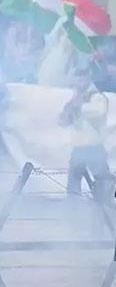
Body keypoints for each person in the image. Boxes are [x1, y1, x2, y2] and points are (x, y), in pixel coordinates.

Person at [63, 68, 112, 201]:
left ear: (88, 79)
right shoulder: (75, 98)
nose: (79, 82)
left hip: (94, 146)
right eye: (77, 79)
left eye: (82, 79)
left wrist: (79, 106)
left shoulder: (97, 96)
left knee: (102, 178)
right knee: (73, 179)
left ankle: (105, 204)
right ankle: (73, 205)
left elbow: (98, 111)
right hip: (78, 146)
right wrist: (69, 111)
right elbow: (64, 121)